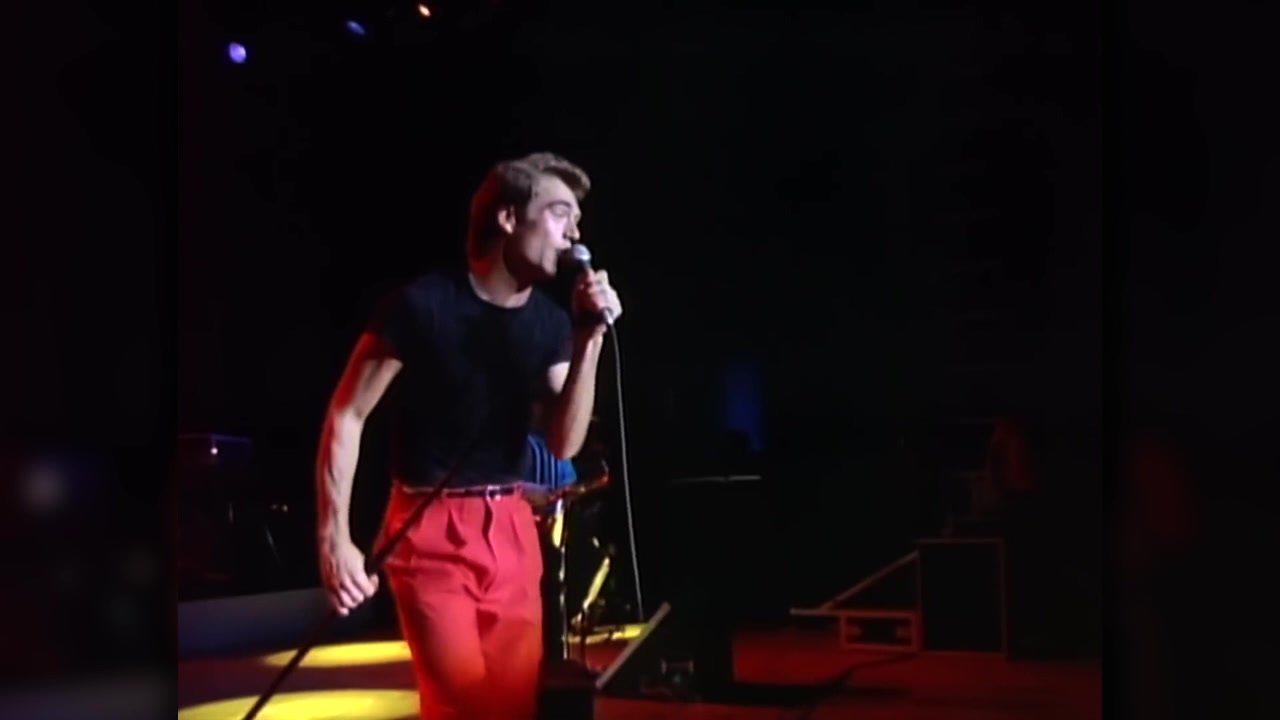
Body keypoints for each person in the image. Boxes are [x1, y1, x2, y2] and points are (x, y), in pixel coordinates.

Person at [313, 152, 623, 719]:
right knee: (465, 705)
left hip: (511, 527)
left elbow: (563, 444)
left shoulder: (551, 324)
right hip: (429, 529)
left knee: (512, 705)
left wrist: (589, 341)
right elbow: (348, 413)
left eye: (577, 221)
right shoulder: (423, 306)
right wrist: (336, 538)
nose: (574, 235)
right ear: (509, 218)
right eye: (560, 214)